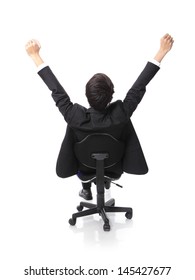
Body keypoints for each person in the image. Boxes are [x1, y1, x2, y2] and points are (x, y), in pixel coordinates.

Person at [25, 34, 174, 200]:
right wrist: (161, 51)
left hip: (84, 168)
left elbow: (56, 91)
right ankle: (104, 185)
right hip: (115, 167)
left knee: (74, 132)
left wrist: (35, 55)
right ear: (111, 95)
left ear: (86, 95)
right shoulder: (121, 113)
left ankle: (86, 188)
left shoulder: (75, 116)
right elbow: (139, 86)